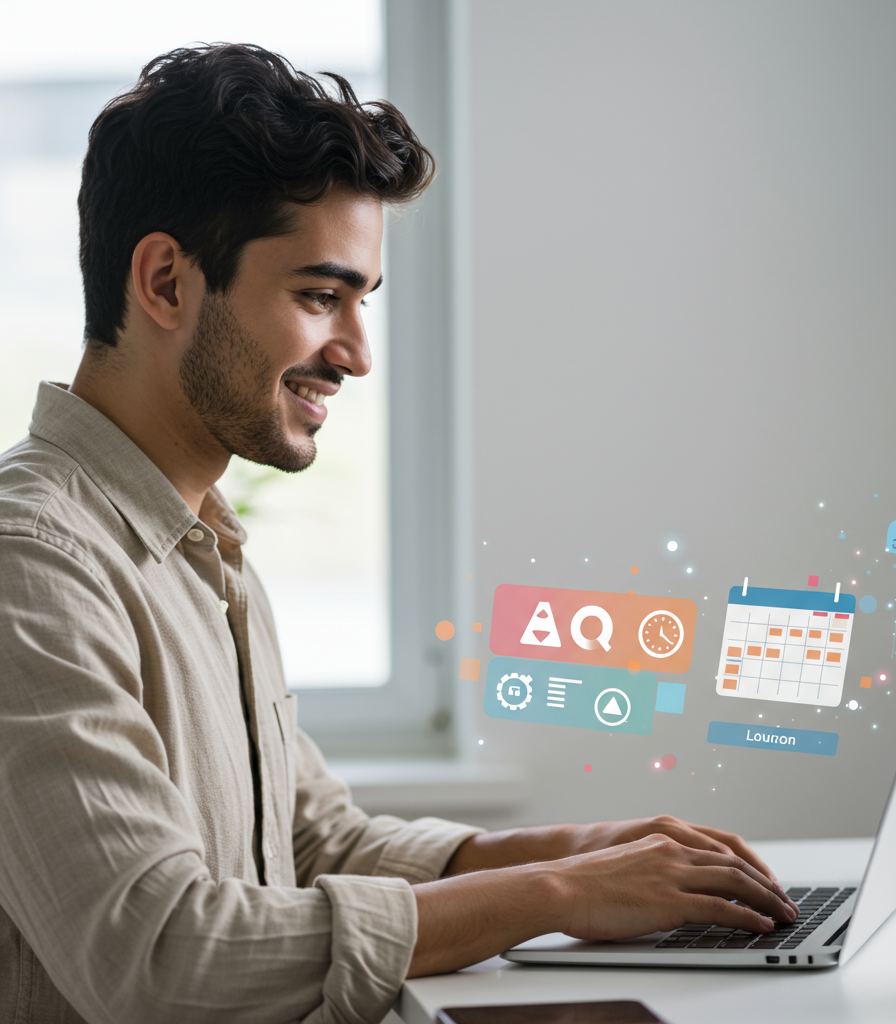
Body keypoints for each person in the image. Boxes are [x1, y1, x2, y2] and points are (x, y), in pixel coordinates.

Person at [0, 44, 797, 1024]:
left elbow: (305, 841)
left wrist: (581, 848)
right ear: (166, 281)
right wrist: (552, 898)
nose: (357, 354)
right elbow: (163, 957)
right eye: (317, 295)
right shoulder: (33, 565)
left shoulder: (198, 545)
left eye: (360, 301)